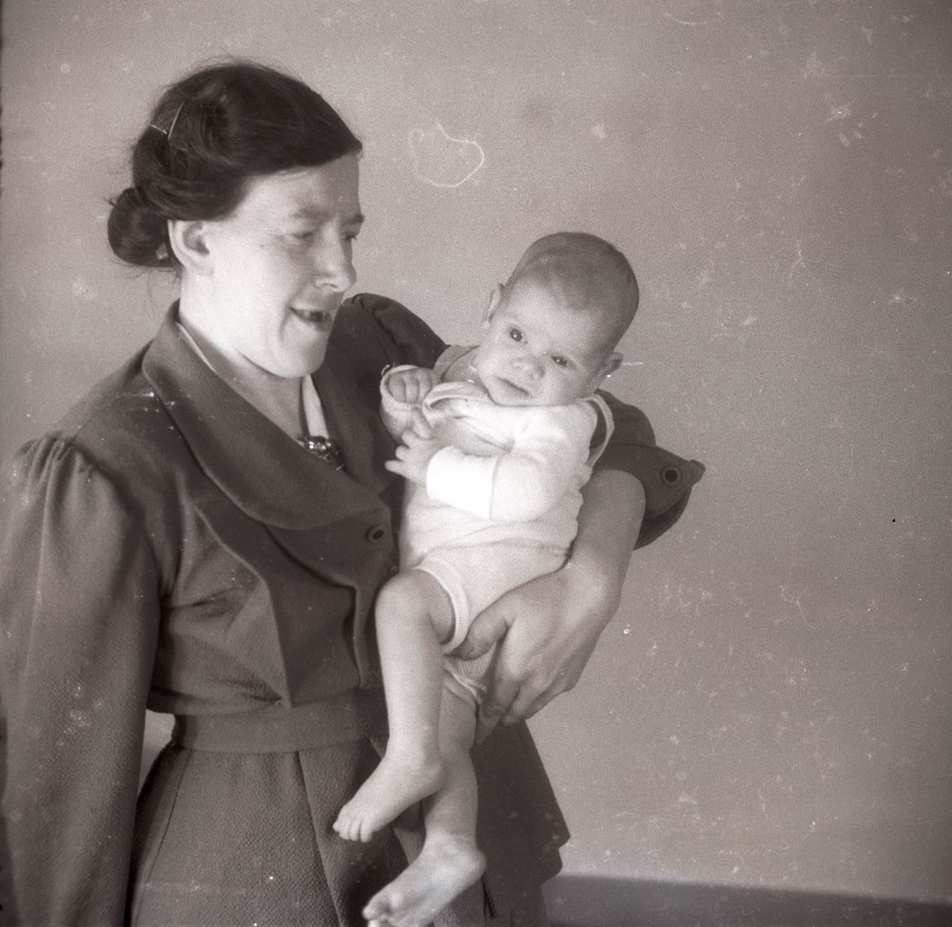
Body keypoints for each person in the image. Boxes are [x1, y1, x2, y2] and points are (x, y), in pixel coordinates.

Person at [0, 59, 704, 927]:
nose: (341, 268)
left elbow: (603, 424)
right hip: (270, 875)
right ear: (196, 241)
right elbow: (58, 798)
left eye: (350, 231)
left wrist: (591, 580)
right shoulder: (102, 468)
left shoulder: (378, 343)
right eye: (302, 234)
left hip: (476, 840)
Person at [334, 233, 641, 927]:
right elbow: (421, 430)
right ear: (492, 308)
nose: (528, 367)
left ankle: (407, 757)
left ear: (603, 372)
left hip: (501, 569)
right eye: (518, 336)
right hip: (466, 583)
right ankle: (449, 846)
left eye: (560, 360)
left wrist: (433, 468)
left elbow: (527, 490)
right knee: (447, 730)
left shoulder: (562, 420)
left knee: (402, 605)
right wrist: (403, 399)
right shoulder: (462, 369)